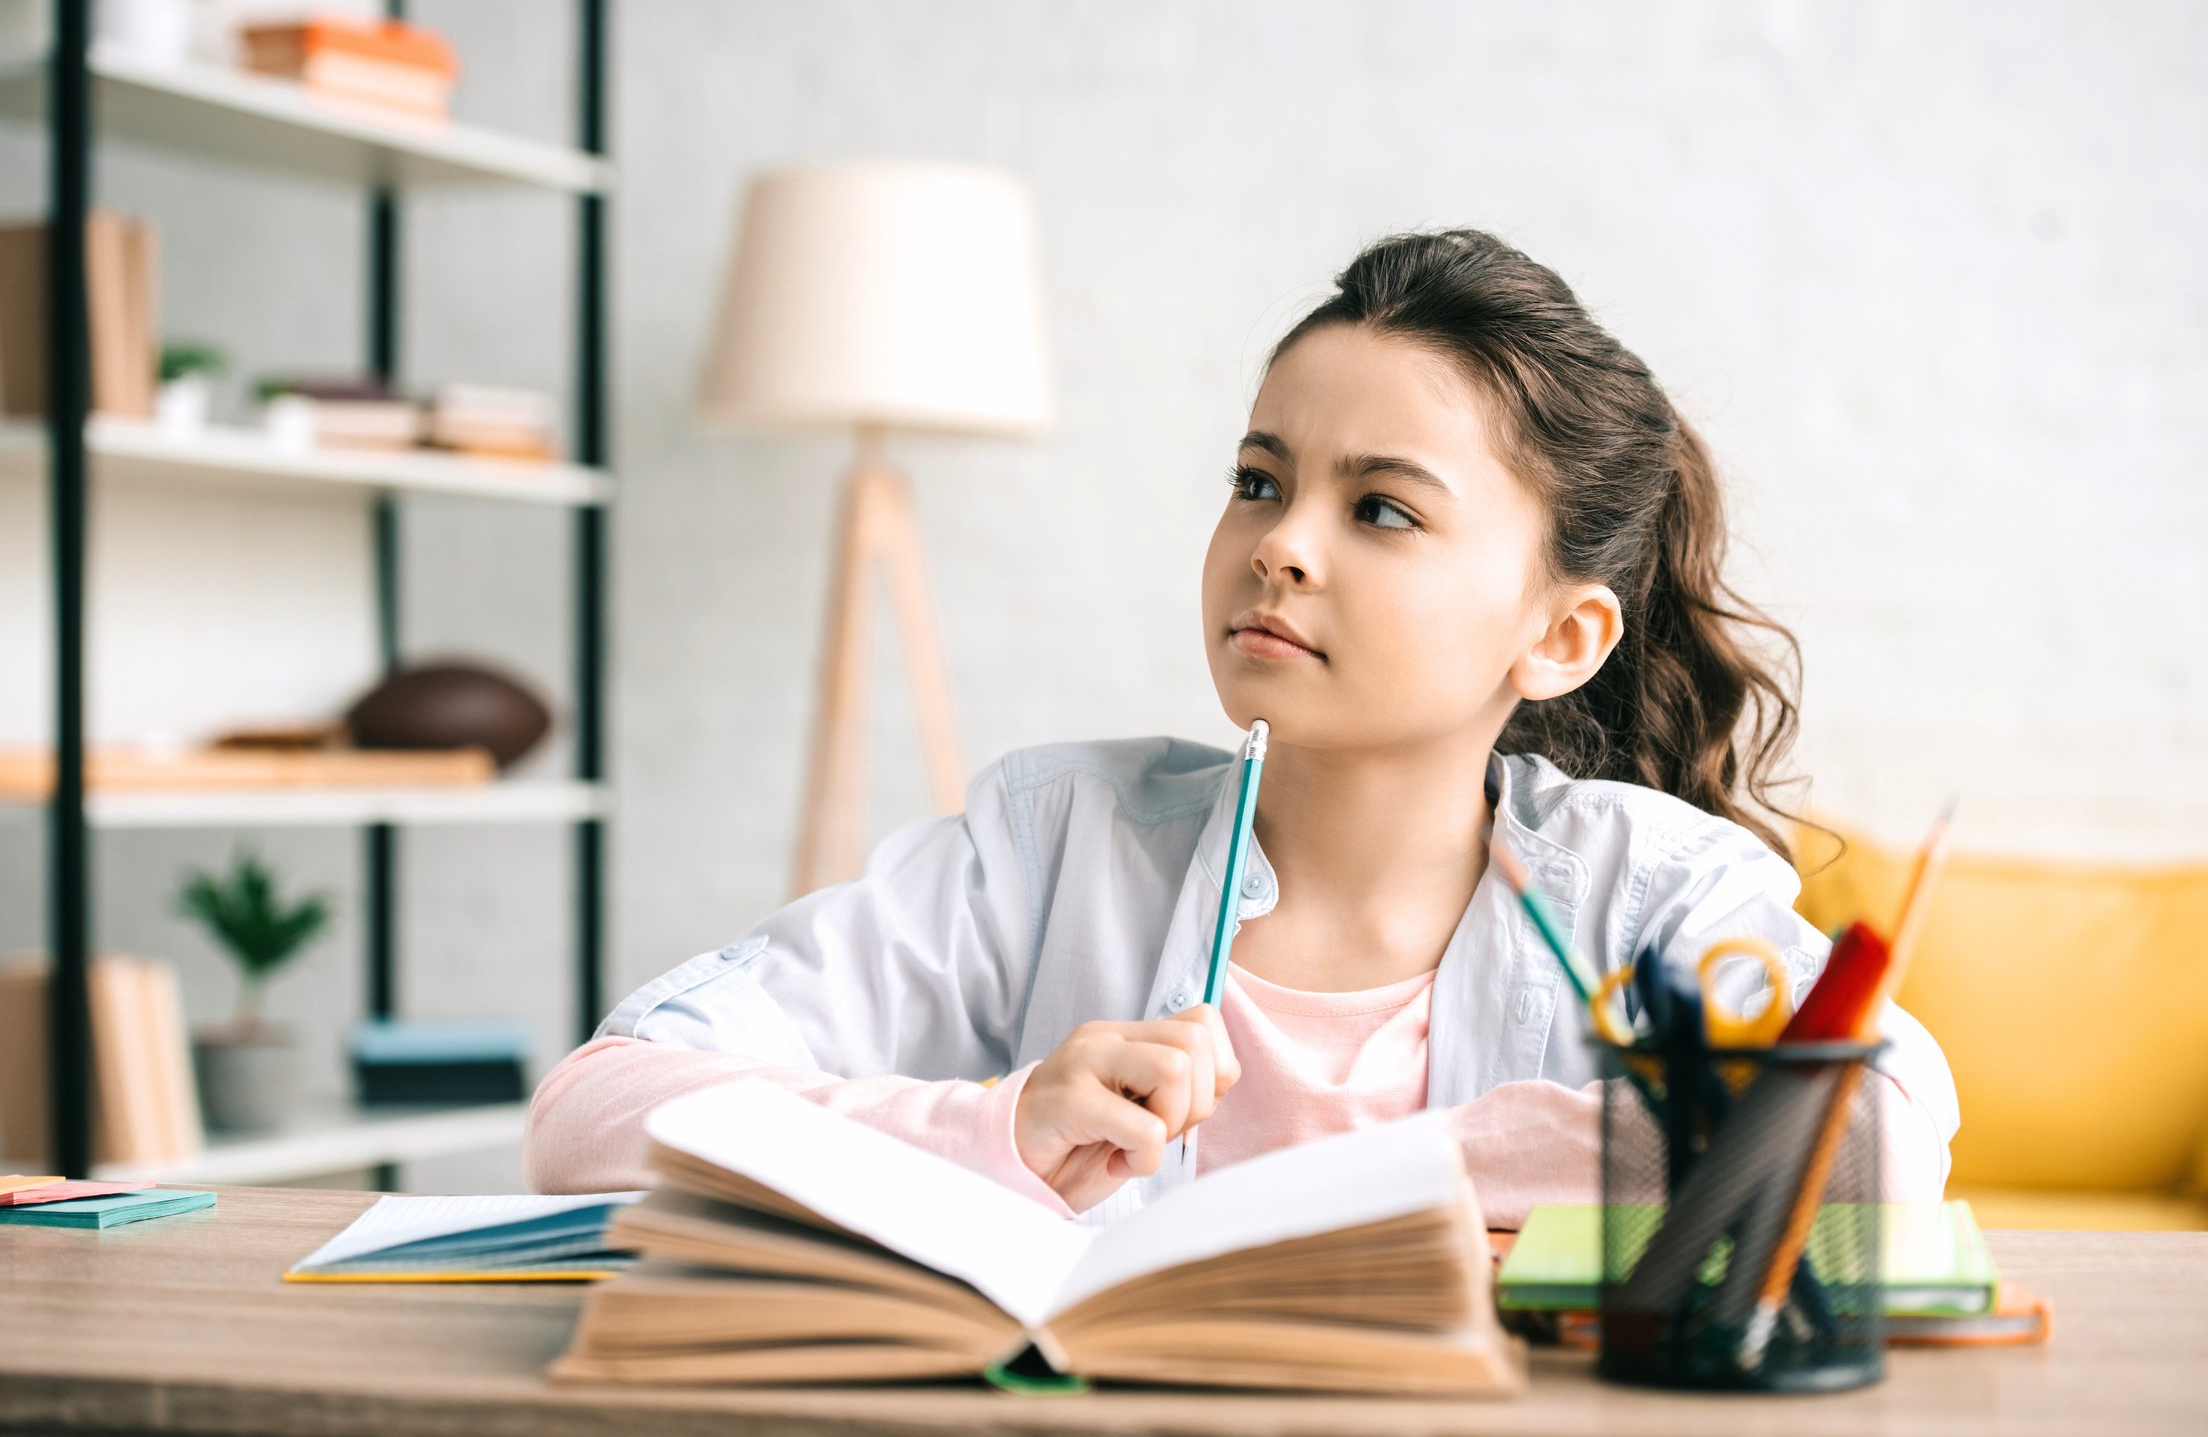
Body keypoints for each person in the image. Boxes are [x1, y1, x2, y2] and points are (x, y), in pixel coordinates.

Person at [526, 228, 1958, 1227]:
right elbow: (595, 1108)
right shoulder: (1053, 840)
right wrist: (993, 1127)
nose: (1282, 547)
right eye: (1260, 481)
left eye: (1381, 508)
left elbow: (1874, 1137)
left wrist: (1390, 1176)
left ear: (1560, 635)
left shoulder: (1649, 885)